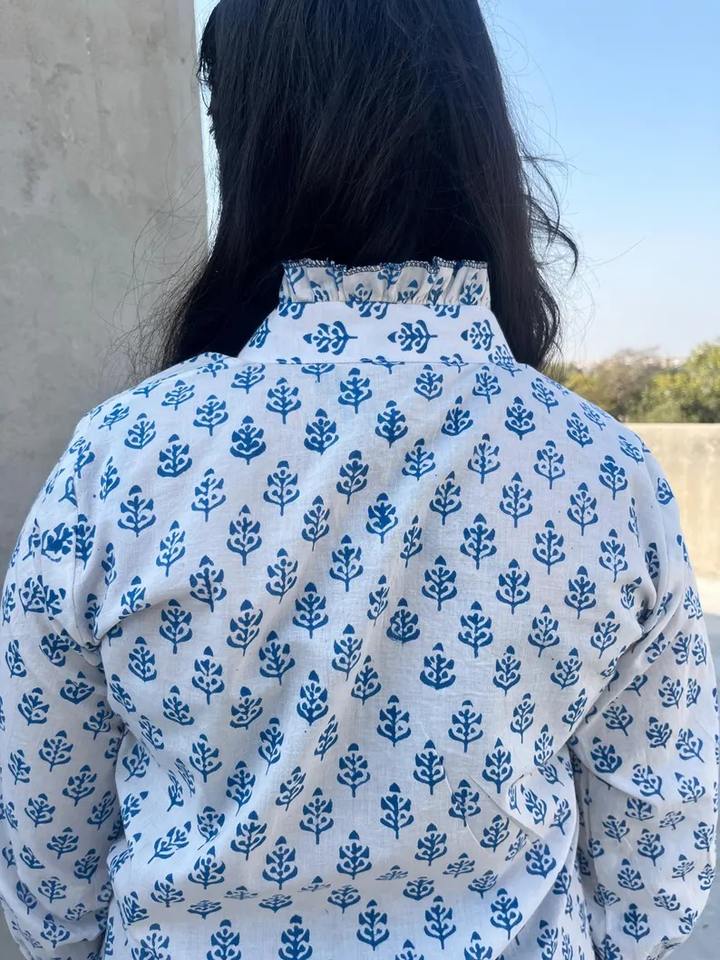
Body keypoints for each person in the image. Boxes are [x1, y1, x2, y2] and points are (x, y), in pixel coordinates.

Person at [1, 2, 716, 958]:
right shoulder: (604, 477)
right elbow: (658, 879)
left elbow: (48, 868)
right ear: (478, 138)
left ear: (251, 147)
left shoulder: (123, 462)